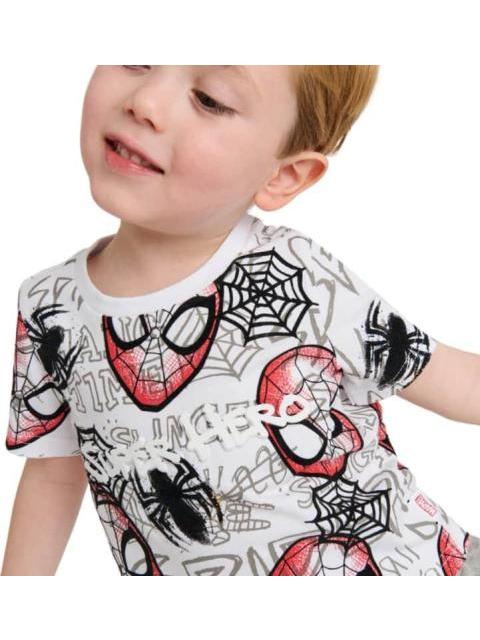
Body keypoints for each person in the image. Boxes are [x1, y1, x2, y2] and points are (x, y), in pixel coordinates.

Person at [2, 65, 479, 576]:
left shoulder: (298, 272)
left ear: (283, 176)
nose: (145, 102)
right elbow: (53, 473)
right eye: (137, 56)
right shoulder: (49, 307)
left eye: (209, 99)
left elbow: (449, 378)